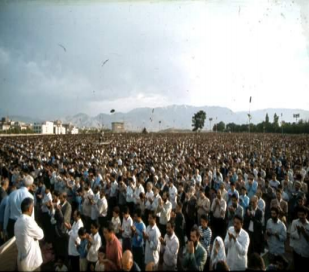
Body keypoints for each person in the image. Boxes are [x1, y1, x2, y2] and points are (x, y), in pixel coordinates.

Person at [14, 197, 44, 272]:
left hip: (21, 260)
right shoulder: (28, 221)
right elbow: (41, 234)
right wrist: (35, 237)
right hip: (31, 263)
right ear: (30, 209)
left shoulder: (17, 221)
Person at [4, 175, 34, 239]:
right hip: (23, 224)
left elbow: (7, 212)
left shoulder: (12, 194)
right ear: (31, 186)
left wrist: (4, 228)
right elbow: (31, 215)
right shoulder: (30, 196)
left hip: (11, 223)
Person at [290, 206, 309, 270]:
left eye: (302, 215)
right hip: (296, 251)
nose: (300, 217)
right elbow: (291, 235)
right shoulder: (294, 222)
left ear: (306, 214)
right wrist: (297, 231)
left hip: (305, 253)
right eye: (299, 215)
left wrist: (304, 233)